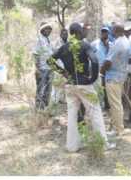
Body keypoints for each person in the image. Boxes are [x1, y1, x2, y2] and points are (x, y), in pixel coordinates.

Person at [48, 22, 115, 152]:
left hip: (70, 85)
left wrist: (64, 73)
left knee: (72, 115)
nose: (84, 33)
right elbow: (95, 61)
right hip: (84, 84)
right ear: (78, 33)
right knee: (95, 113)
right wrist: (93, 78)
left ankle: (72, 146)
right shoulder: (84, 45)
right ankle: (103, 144)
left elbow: (49, 61)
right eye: (82, 32)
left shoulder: (64, 47)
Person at [100, 24, 131, 135]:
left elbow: (108, 61)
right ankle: (115, 126)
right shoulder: (126, 41)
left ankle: (118, 129)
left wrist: (101, 71)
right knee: (117, 102)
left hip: (113, 77)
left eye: (112, 29)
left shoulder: (118, 44)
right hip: (121, 75)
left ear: (116, 30)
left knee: (115, 104)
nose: (111, 31)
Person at [33, 22, 53, 110]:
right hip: (42, 69)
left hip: (49, 69)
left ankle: (45, 108)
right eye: (46, 29)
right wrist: (37, 69)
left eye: (49, 29)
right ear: (42, 30)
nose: (48, 31)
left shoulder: (48, 40)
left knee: (48, 90)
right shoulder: (39, 40)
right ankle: (38, 109)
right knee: (41, 90)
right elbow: (36, 54)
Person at [91, 26, 111, 111]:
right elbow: (90, 55)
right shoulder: (95, 43)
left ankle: (107, 105)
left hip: (108, 69)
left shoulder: (111, 44)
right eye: (103, 32)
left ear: (108, 34)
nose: (104, 34)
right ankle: (99, 105)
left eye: (106, 32)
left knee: (107, 87)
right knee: (99, 87)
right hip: (97, 68)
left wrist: (107, 47)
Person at [51, 28, 68, 104]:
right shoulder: (56, 43)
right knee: (56, 84)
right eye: (63, 34)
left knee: (64, 84)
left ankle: (62, 99)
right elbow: (53, 54)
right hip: (58, 66)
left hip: (66, 67)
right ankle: (54, 101)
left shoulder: (68, 43)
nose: (65, 35)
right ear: (60, 35)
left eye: (66, 34)